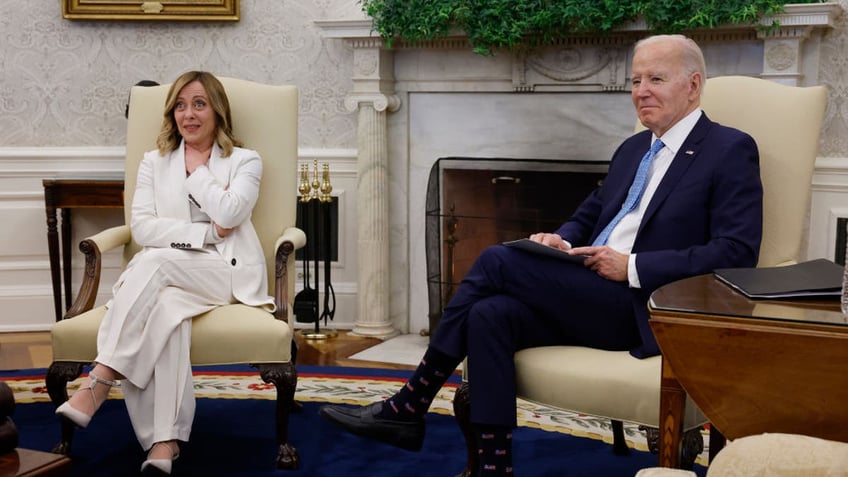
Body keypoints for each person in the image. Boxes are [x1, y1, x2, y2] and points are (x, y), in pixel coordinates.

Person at [320, 34, 764, 476]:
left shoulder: (729, 149)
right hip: (589, 287)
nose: (641, 91)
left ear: (693, 84)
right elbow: (593, 211)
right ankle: (495, 467)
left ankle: (410, 403)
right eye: (635, 80)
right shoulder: (633, 149)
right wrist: (562, 240)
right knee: (489, 315)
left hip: (642, 305)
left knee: (497, 260)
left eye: (656, 78)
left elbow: (736, 252)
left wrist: (630, 266)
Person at [56, 71, 273, 476]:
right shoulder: (153, 163)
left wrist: (198, 172)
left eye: (199, 104)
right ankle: (164, 441)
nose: (188, 114)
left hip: (225, 272)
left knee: (153, 261)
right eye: (180, 105)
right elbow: (143, 228)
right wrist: (206, 232)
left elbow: (230, 212)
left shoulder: (245, 160)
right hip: (175, 277)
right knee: (167, 314)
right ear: (171, 113)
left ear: (217, 110)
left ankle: (100, 378)